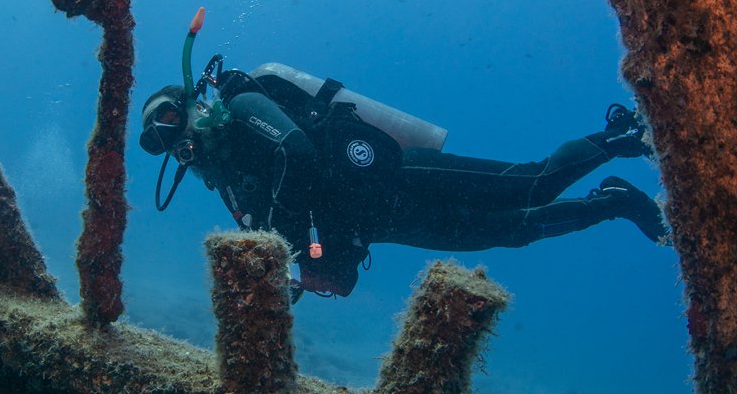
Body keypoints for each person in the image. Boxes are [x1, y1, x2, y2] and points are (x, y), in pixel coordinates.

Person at [139, 61, 669, 299]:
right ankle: (612, 203)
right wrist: (309, 274)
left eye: (167, 118)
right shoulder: (228, 180)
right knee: (516, 230)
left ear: (191, 103)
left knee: (529, 185)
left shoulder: (242, 103)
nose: (169, 138)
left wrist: (298, 250)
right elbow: (285, 241)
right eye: (156, 140)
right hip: (383, 222)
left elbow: (298, 156)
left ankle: (617, 138)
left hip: (399, 175)